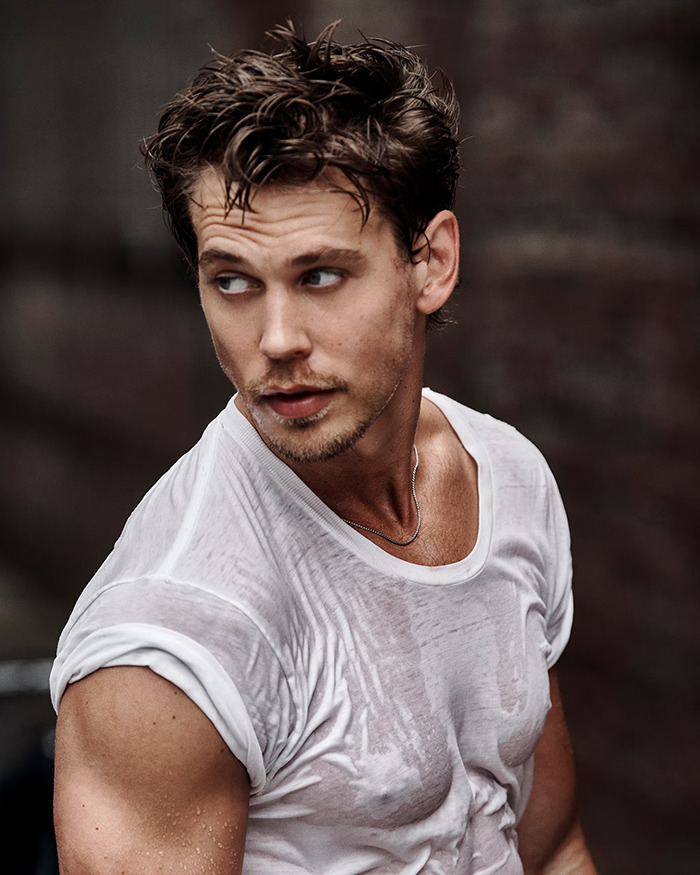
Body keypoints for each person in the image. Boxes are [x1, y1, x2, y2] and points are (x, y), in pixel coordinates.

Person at [51, 21, 597, 874]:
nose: (275, 339)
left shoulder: (511, 479)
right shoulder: (170, 643)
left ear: (432, 262)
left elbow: (553, 846)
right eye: (231, 280)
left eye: (319, 276)